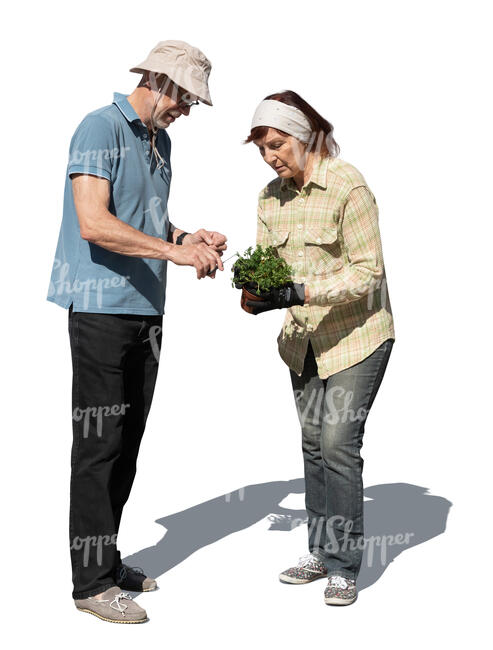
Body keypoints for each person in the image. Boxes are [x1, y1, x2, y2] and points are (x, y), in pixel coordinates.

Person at [47, 40, 227, 624]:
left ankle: (105, 557)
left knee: (126, 443)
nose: (189, 112)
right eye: (187, 99)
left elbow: (145, 221)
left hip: (146, 312)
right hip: (100, 309)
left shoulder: (160, 140)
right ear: (160, 82)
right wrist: (170, 255)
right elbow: (94, 221)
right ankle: (90, 585)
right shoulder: (98, 127)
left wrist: (186, 240)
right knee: (98, 446)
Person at [242, 91, 396, 605]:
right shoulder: (269, 197)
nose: (271, 156)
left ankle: (345, 565)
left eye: (278, 144)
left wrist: (302, 292)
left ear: (304, 135)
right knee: (312, 445)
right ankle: (320, 549)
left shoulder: (347, 184)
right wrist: (254, 289)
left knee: (336, 443)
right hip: (302, 340)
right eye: (262, 148)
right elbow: (268, 266)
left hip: (357, 336)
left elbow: (369, 270)